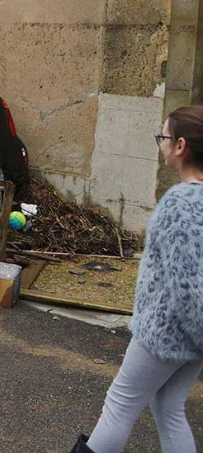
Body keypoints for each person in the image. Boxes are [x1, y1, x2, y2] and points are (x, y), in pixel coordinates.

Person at [73, 106, 203, 453]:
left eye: (162, 136)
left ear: (180, 146)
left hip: (166, 333)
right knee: (168, 407)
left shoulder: (180, 203)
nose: (159, 143)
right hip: (191, 337)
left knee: (119, 405)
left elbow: (189, 285)